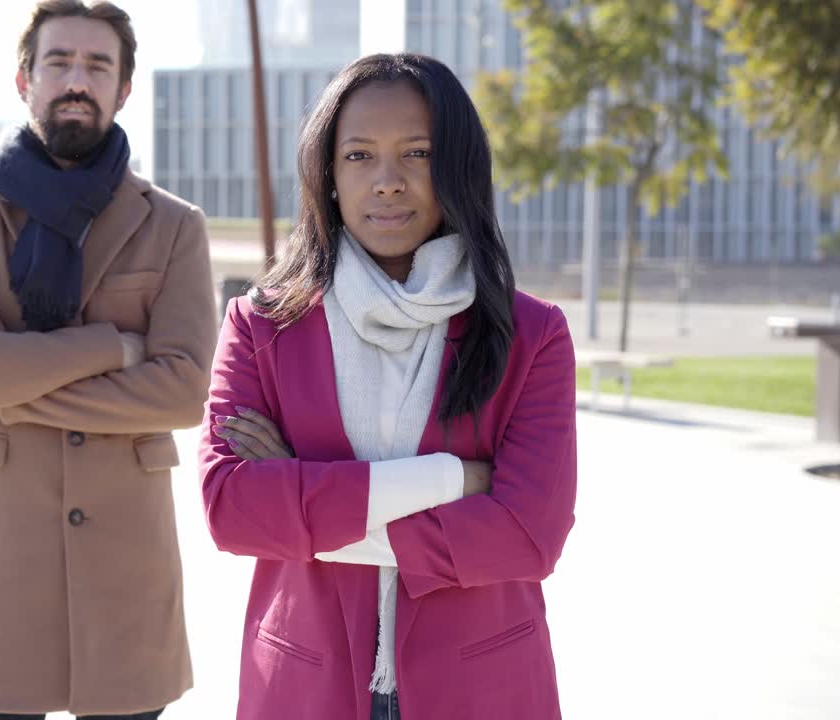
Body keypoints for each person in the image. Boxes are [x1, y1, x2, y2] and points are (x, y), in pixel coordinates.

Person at [198, 53, 577, 720]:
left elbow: (528, 536)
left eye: (417, 153)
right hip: (306, 682)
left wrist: (301, 496)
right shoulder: (261, 326)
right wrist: (453, 481)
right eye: (359, 156)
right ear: (329, 174)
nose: (387, 181)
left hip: (482, 689)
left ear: (456, 166)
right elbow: (231, 510)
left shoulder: (532, 335)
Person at [0, 2, 217, 718]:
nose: (77, 80)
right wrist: (111, 348)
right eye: (59, 62)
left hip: (126, 576)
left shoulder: (174, 227)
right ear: (25, 79)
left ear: (123, 89)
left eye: (97, 65)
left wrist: (8, 378)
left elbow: (181, 391)